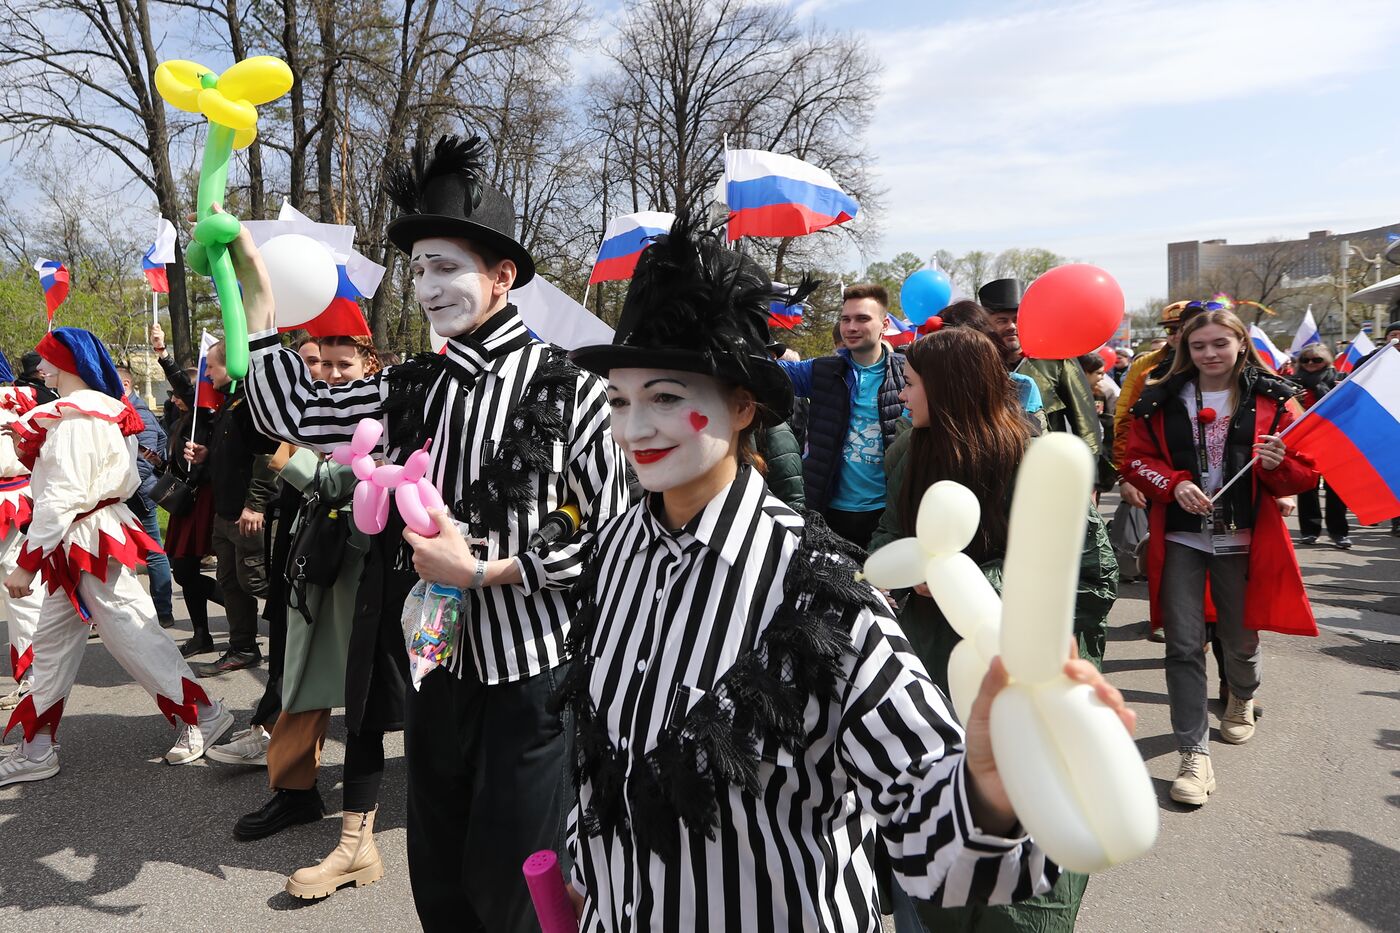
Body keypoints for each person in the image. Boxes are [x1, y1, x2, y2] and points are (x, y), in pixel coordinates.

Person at [560, 216, 1135, 931]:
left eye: (667, 397)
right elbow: (599, 755)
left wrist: (991, 784)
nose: (634, 427)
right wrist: (586, 868)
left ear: (743, 407)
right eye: (619, 400)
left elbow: (932, 822)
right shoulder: (613, 550)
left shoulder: (820, 586)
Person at [234, 135, 629, 932]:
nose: (428, 287)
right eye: (418, 271)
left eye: (446, 268)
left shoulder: (575, 391)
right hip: (436, 668)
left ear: (502, 276)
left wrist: (491, 569)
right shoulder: (410, 385)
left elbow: (612, 538)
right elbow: (293, 414)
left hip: (532, 679)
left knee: (515, 881)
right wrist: (253, 297)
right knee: (439, 876)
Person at [872, 328, 1117, 933]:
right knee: (936, 825)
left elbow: (1092, 573)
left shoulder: (1036, 458)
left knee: (1025, 834)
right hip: (931, 667)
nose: (901, 395)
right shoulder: (907, 449)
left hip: (1026, 667)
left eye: (909, 382)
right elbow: (886, 536)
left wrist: (968, 581)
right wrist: (892, 575)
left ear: (949, 388)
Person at [0, 328, 232, 787]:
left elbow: (63, 497)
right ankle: (37, 747)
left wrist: (27, 561)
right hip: (81, 537)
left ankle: (203, 713)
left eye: (48, 360)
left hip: (85, 538)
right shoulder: (93, 412)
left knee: (132, 634)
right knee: (53, 643)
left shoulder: (80, 418)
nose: (41, 368)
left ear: (67, 364)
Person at [1123, 309, 1318, 807]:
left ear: (1240, 344)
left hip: (1245, 541)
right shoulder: (1160, 398)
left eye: (1219, 344)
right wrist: (1175, 483)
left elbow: (1305, 473)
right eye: (1199, 346)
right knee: (1183, 646)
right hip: (1184, 541)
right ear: (1186, 349)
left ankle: (1243, 695)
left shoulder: (1276, 398)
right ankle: (1193, 754)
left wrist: (1280, 466)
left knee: (1239, 638)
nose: (1209, 354)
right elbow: (1137, 460)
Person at [777, 283, 906, 548]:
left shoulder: (909, 373)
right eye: (845, 319)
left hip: (886, 514)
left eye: (862, 319)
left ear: (884, 325)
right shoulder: (822, 371)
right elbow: (767, 372)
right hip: (828, 512)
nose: (851, 327)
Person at [187, 341, 279, 676]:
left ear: (233, 365)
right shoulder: (230, 404)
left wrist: (255, 504)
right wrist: (206, 456)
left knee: (257, 581)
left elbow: (267, 458)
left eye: (211, 367)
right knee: (230, 582)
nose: (207, 373)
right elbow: (233, 456)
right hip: (225, 514)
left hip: (247, 514)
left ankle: (300, 639)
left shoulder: (251, 405)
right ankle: (243, 648)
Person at [150, 324, 225, 657]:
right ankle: (202, 633)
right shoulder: (180, 420)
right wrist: (158, 463)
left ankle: (242, 610)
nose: (173, 396)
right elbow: (179, 461)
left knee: (185, 568)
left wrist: (163, 355)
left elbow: (184, 385)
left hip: (202, 499)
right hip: (185, 500)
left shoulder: (205, 414)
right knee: (185, 570)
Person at [978, 278, 1101, 457]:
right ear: (987, 325)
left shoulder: (1057, 359)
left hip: (1049, 466)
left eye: (1017, 319)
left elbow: (1085, 423)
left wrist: (1089, 475)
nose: (1011, 326)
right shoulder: (979, 363)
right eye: (1001, 320)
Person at [115, 366, 175, 629]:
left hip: (137, 494)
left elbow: (144, 460)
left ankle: (163, 611)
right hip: (126, 493)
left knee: (153, 552)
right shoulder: (123, 410)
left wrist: (121, 490)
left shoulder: (140, 414)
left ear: (126, 383)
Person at [0, 380, 43, 713]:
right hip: (15, 497)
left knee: (20, 595)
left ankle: (34, 675)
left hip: (11, 502)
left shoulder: (12, 397)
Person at [1292, 345, 1352, 548]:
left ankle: (1339, 532)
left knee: (1337, 487)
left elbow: (1352, 408)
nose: (1310, 363)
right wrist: (1291, 400)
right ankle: (1309, 531)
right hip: (1305, 441)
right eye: (1305, 360)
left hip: (1335, 440)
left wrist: (1341, 393)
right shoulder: (1291, 383)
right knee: (1306, 487)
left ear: (1327, 360)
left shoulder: (1341, 379)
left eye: (1316, 360)